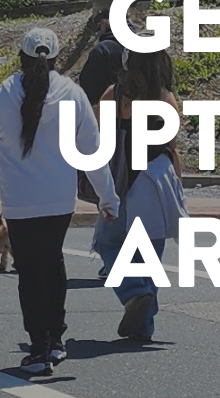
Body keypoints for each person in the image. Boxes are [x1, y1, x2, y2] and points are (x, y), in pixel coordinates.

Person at [0, 28, 120, 375]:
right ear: (56, 59)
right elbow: (92, 151)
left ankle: (38, 348)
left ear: (20, 58)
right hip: (59, 199)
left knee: (29, 271)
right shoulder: (72, 94)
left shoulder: (5, 94)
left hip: (20, 202)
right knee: (53, 264)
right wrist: (108, 197)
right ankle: (56, 341)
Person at [93, 39, 185, 342]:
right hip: (156, 179)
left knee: (109, 243)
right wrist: (178, 185)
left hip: (121, 179)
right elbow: (172, 147)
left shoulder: (113, 95)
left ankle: (134, 292)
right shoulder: (165, 99)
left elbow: (94, 135)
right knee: (149, 257)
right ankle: (143, 326)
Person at [78, 17, 137, 280]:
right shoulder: (152, 74)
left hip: (115, 137)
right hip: (146, 146)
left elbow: (88, 92)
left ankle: (112, 260)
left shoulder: (103, 55)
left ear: (105, 28)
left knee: (113, 198)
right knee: (136, 205)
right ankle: (134, 262)